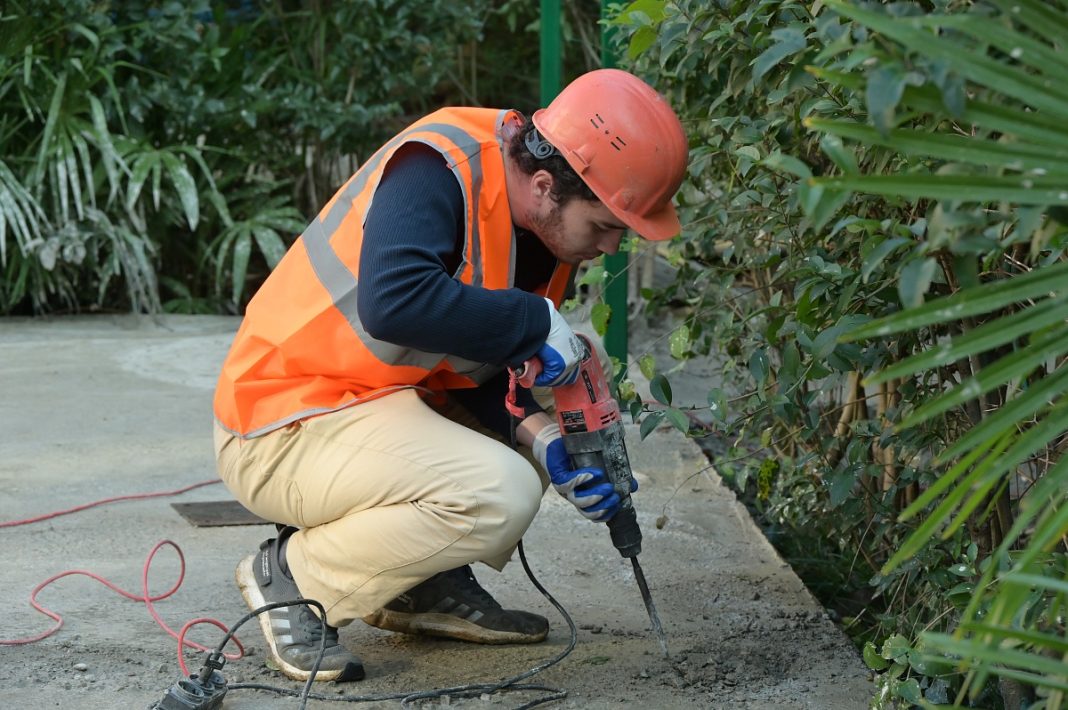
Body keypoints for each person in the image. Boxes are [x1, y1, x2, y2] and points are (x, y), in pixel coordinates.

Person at [212, 68, 687, 682]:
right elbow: (393, 302)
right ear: (545, 185)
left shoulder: (540, 236)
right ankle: (294, 576)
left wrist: (546, 439)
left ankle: (416, 587)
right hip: (282, 419)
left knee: (530, 458)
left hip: (370, 402)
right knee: (499, 494)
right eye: (604, 226)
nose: (612, 247)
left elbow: (472, 373)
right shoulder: (439, 168)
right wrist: (529, 318)